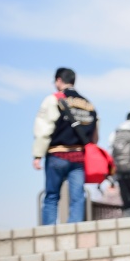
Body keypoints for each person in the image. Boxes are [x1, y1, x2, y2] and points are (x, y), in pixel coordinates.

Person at [33, 68, 99, 225]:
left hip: (57, 154)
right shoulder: (88, 104)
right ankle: (74, 231)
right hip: (79, 157)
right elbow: (95, 136)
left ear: (58, 80)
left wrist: (37, 155)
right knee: (77, 198)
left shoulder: (53, 100)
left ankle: (48, 232)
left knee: (51, 197)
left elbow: (44, 128)